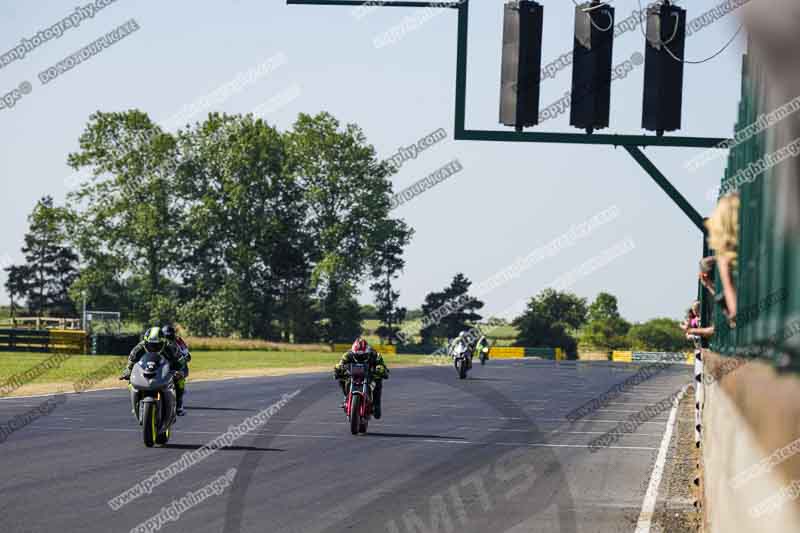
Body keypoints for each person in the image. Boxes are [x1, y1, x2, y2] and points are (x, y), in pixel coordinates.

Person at [119, 326, 187, 413]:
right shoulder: (139, 347)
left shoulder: (170, 347)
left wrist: (179, 370)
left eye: (157, 345)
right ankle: (135, 404)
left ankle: (179, 404)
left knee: (180, 379)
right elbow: (131, 361)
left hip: (165, 370)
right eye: (151, 344)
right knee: (131, 381)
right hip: (145, 370)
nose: (153, 347)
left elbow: (180, 360)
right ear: (146, 341)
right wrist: (128, 371)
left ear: (163, 342)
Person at [334, 338, 389, 419]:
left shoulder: (375, 355)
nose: (360, 357)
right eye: (357, 355)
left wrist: (380, 369)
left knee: (378, 381)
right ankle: (346, 396)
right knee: (341, 378)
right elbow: (341, 363)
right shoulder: (347, 354)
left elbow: (383, 367)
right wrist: (339, 368)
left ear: (367, 351)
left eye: (363, 355)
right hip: (352, 375)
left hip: (369, 376)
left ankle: (376, 404)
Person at [162, 325, 191, 416]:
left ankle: (179, 404)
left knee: (180, 377)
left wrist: (184, 357)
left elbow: (186, 353)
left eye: (170, 335)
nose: (168, 338)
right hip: (161, 365)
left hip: (176, 365)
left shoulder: (178, 340)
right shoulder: (158, 341)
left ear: (173, 334)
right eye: (166, 336)